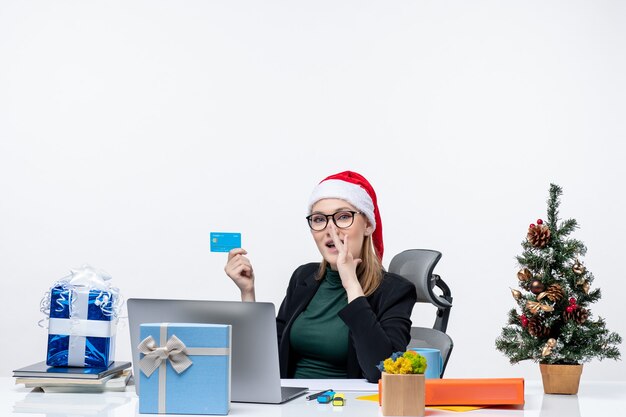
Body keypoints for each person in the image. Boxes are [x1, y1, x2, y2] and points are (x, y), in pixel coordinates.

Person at [225, 171, 416, 382]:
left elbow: (382, 372)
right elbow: (268, 356)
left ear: (368, 225)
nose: (330, 229)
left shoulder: (395, 290)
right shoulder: (304, 276)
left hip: (347, 406)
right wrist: (247, 292)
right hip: (289, 404)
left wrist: (351, 283)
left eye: (343, 217)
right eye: (319, 219)